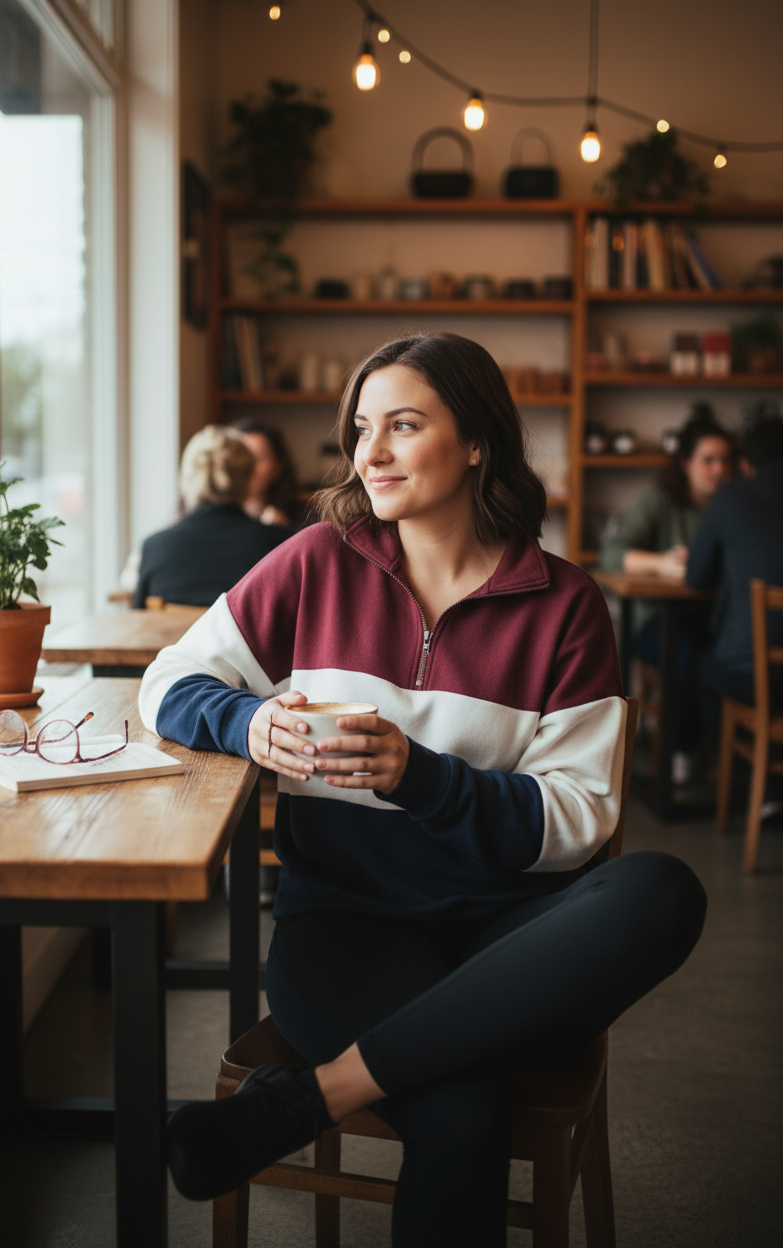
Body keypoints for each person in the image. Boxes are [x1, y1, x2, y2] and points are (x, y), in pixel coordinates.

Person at [139, 333, 706, 1246]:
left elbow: (577, 818)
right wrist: (248, 723)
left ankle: (306, 1099)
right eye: (362, 428)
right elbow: (168, 682)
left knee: (662, 889)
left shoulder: (565, 606)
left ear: (476, 440)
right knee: (462, 1112)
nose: (372, 452)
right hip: (346, 928)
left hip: (511, 934)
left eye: (403, 425)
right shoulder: (316, 563)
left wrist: (423, 779)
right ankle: (339, 1086)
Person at [600, 406, 735, 778]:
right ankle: (682, 751)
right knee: (685, 655)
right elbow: (612, 554)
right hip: (655, 619)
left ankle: (725, 760)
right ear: (686, 463)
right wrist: (661, 563)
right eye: (708, 460)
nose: (719, 469)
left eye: (726, 460)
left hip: (713, 618)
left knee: (726, 656)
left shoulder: (735, 504)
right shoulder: (659, 499)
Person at [686, 416, 783, 724]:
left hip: (750, 672)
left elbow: (696, 577)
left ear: (746, 465)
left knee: (701, 667)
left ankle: (727, 757)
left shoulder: (730, 498)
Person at [132, 425, 290, 609]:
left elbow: (139, 616)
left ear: (187, 478)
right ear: (249, 479)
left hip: (174, 630)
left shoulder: (154, 547)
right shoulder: (276, 544)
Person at [230, 418, 304, 528]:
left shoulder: (304, 518)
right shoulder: (213, 518)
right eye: (241, 457)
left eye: (259, 457)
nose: (249, 465)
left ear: (278, 466)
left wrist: (282, 532)